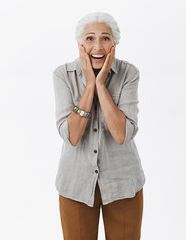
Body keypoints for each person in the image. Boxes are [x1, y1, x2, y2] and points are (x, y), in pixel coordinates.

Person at [53, 12, 146, 240]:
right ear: (80, 44)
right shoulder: (63, 75)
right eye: (90, 38)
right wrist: (89, 86)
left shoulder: (128, 74)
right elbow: (72, 136)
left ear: (114, 44)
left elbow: (122, 134)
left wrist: (101, 86)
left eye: (105, 38)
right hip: (75, 185)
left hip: (123, 183)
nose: (97, 46)